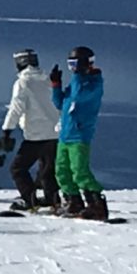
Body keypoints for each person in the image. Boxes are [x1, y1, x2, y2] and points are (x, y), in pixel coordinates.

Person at [2, 47, 61, 212]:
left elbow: (16, 108)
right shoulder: (47, 80)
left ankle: (29, 198)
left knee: (18, 168)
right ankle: (52, 198)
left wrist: (7, 129)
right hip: (54, 132)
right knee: (47, 169)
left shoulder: (23, 82)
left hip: (35, 135)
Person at [54, 44, 107, 219]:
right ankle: (73, 201)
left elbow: (78, 97)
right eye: (70, 64)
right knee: (61, 171)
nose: (72, 69)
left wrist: (78, 76)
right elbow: (61, 104)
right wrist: (56, 85)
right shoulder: (76, 82)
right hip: (65, 135)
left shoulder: (93, 84)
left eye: (74, 64)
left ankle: (96, 204)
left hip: (79, 135)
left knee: (80, 171)